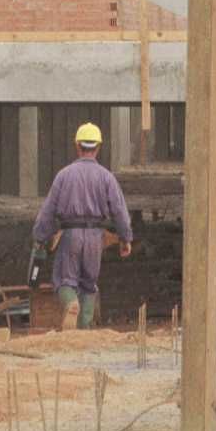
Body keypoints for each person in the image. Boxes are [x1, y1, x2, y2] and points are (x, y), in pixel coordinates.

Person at [32, 123, 133, 330]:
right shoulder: (107, 177)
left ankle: (71, 303)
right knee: (89, 284)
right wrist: (125, 239)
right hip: (96, 236)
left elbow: (48, 210)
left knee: (64, 280)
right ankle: (83, 330)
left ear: (77, 146)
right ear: (98, 147)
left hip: (70, 235)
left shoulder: (64, 175)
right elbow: (120, 211)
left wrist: (40, 237)